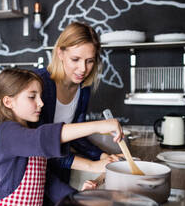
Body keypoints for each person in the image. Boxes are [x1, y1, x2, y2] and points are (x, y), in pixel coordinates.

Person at [0, 68, 122, 206]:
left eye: (40, 96)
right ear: (8, 102)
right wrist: (98, 126)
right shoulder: (8, 132)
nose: (41, 103)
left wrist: (78, 199)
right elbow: (42, 138)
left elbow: (48, 183)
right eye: (32, 97)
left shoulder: (29, 132)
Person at [34, 21, 124, 184]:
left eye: (90, 61)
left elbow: (76, 136)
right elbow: (40, 142)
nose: (83, 68)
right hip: (26, 175)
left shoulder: (83, 90)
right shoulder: (39, 84)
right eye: (75, 59)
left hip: (55, 172)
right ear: (60, 53)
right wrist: (93, 165)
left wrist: (104, 157)